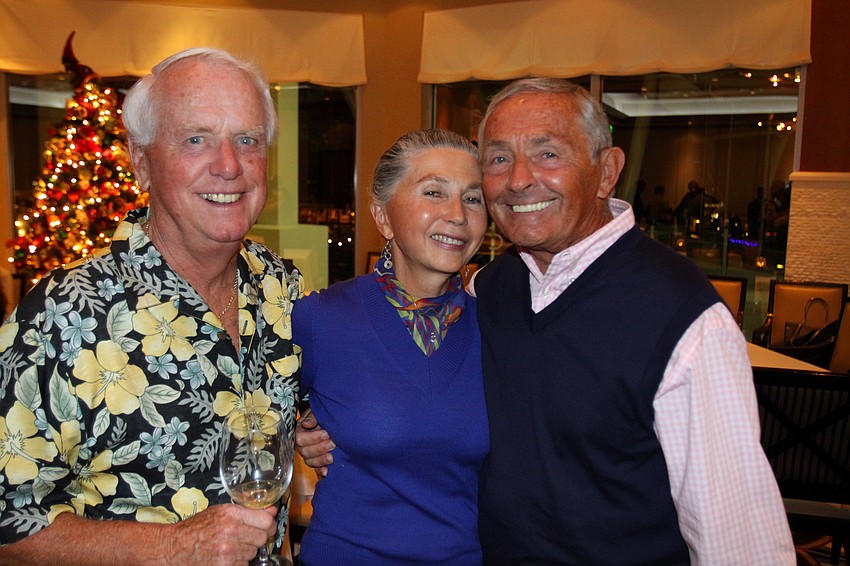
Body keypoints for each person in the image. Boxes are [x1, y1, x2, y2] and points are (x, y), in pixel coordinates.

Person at [297, 78, 795, 564]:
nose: (518, 179)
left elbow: (737, 533)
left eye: (547, 153)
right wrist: (310, 427)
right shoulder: (493, 289)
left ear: (606, 172)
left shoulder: (684, 316)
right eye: (498, 158)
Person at [0, 48, 302, 563]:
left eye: (247, 140)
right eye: (195, 139)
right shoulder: (63, 314)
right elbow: (8, 521)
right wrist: (172, 546)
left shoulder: (283, 289)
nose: (229, 166)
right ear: (141, 162)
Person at [292, 129, 489, 565]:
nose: (457, 214)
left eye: (473, 198)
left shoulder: (498, 324)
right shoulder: (321, 318)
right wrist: (295, 432)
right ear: (382, 217)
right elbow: (248, 413)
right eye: (434, 192)